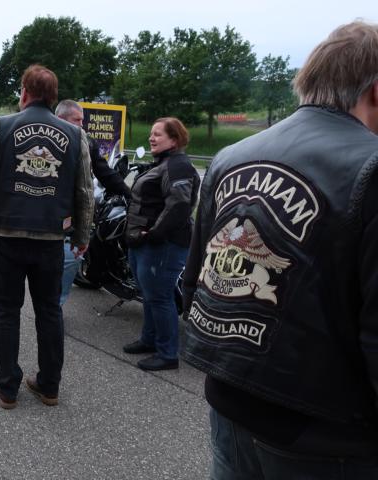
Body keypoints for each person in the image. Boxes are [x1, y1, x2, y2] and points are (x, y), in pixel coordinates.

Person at [182, 21, 378, 478]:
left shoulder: (232, 156)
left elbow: (196, 282)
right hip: (327, 436)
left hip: (230, 400)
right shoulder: (371, 168)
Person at [0, 65, 94, 409]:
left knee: (7, 311)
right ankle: (49, 385)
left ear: (24, 92)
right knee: (49, 311)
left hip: (7, 233)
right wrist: (82, 233)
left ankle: (8, 387)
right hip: (51, 237)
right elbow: (84, 190)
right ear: (53, 96)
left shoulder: (0, 126)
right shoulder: (75, 134)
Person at [122, 117, 200, 371]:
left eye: (158, 134)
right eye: (151, 133)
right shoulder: (163, 163)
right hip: (144, 242)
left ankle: (167, 354)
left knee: (160, 296)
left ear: (174, 140)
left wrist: (154, 234)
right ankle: (149, 339)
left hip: (164, 244)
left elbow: (179, 205)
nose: (151, 138)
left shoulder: (178, 165)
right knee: (149, 294)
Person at [55, 99, 131, 305]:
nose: (82, 124)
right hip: (44, 213)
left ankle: (56, 307)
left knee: (67, 263)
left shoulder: (87, 142)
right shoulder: (46, 137)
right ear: (61, 119)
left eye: (83, 120)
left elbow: (104, 172)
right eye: (77, 120)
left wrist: (129, 194)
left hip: (70, 216)